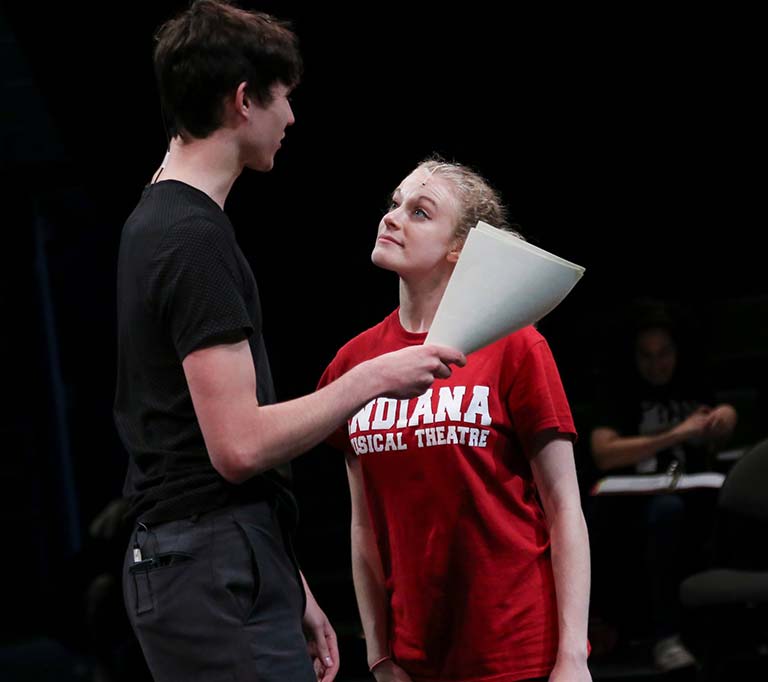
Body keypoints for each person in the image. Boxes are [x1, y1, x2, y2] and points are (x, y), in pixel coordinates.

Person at [113, 4, 465, 681]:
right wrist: (372, 379)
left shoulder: (162, 219)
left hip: (215, 556)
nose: (292, 119)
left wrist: (286, 578)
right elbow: (238, 446)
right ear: (243, 100)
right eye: (282, 99)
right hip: (210, 568)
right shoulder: (191, 239)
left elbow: (187, 439)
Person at [317, 158, 592, 682]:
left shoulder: (516, 345)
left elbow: (563, 509)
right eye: (394, 203)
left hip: (516, 649)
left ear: (458, 249)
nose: (393, 218)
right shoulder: (353, 364)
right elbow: (363, 525)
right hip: (415, 656)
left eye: (420, 212)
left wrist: (572, 656)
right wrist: (378, 653)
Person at [589, 306, 738, 671]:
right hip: (635, 503)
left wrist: (725, 419)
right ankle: (664, 636)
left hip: (695, 494)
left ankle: (729, 633)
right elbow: (604, 453)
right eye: (648, 355)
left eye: (664, 353)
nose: (658, 364)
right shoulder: (620, 392)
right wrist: (678, 433)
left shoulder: (693, 383)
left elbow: (721, 422)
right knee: (663, 513)